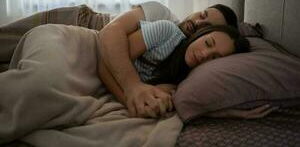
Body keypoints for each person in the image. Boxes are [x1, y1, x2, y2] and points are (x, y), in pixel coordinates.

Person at [98, 19, 250, 118]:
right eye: (208, 43)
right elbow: (103, 65)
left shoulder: (184, 82)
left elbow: (189, 105)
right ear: (201, 34)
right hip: (93, 50)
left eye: (215, 58)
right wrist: (132, 93)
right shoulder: (167, 32)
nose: (204, 55)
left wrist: (229, 111)